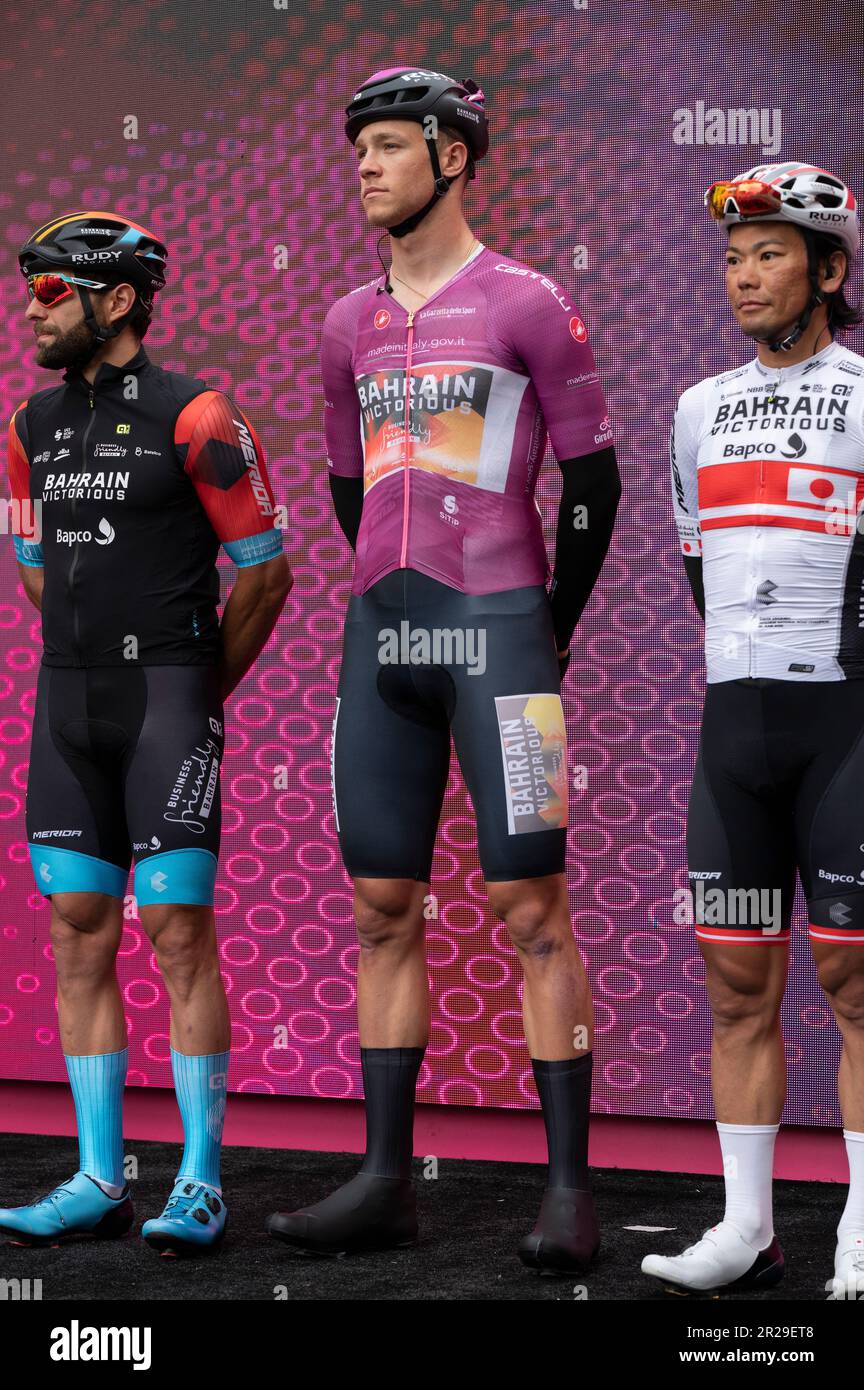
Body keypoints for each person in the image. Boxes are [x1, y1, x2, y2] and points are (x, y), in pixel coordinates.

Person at [266, 67, 621, 1271]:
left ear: (453, 156)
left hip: (501, 635)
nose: (362, 166)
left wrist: (548, 625)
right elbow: (347, 489)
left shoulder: (527, 301)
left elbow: (598, 484)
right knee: (379, 910)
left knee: (532, 909)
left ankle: (569, 1189)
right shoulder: (342, 324)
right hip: (386, 637)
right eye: (354, 147)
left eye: (383, 145)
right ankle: (383, 1181)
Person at [0, 211, 292, 1256]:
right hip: (67, 706)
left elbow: (266, 571)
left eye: (49, 290)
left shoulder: (200, 414)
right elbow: (32, 560)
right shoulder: (30, 424)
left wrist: (197, 690)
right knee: (78, 927)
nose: (30, 309)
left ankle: (200, 1181)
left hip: (170, 704)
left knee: (176, 936)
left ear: (115, 301)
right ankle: (96, 1177)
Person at [642, 163, 864, 1296]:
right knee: (737, 986)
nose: (744, 276)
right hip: (737, 729)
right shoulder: (695, 408)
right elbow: (697, 565)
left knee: (855, 983)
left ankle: (862, 1234)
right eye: (732, 259)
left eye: (771, 254)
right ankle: (747, 1230)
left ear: (829, 269)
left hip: (848, 728)